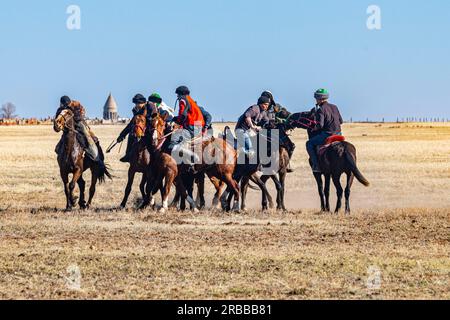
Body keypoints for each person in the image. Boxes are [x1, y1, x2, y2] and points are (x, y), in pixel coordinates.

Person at [56, 96, 105, 169]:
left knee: (85, 132)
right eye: (65, 105)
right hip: (68, 125)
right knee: (65, 136)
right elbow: (58, 118)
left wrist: (73, 118)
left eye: (67, 105)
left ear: (70, 102)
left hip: (78, 122)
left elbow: (81, 114)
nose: (66, 106)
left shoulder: (76, 104)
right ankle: (59, 148)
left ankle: (95, 155)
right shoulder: (61, 109)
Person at [168, 86, 205, 171]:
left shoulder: (182, 100)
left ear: (181, 94)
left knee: (172, 144)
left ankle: (192, 156)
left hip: (192, 126)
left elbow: (183, 115)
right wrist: (176, 119)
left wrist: (177, 122)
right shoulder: (190, 99)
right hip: (198, 125)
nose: (177, 96)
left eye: (177, 94)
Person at [306, 89, 344, 173]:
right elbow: (341, 121)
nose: (316, 100)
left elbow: (320, 125)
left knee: (309, 143)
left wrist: (313, 128)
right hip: (339, 134)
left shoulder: (321, 109)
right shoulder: (335, 107)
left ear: (318, 98)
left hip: (327, 135)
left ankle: (316, 166)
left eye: (316, 98)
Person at [116, 94, 148, 163]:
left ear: (143, 102)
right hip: (139, 130)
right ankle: (128, 155)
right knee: (131, 135)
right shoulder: (136, 111)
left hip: (148, 129)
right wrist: (122, 135)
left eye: (138, 103)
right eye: (136, 103)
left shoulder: (149, 108)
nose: (137, 105)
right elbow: (130, 124)